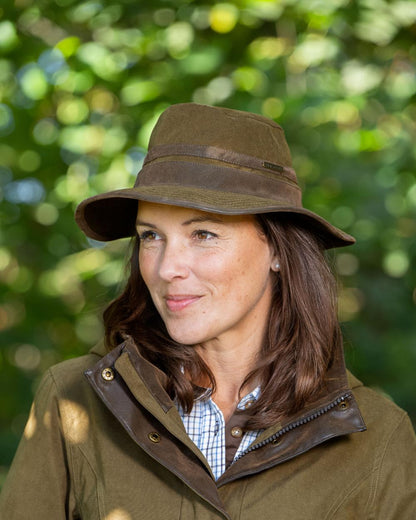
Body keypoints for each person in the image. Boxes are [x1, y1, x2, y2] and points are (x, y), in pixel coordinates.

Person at [1, 103, 415, 519]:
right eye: (150, 236)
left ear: (277, 249)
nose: (167, 269)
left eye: (203, 234)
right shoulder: (74, 401)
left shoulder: (377, 438)